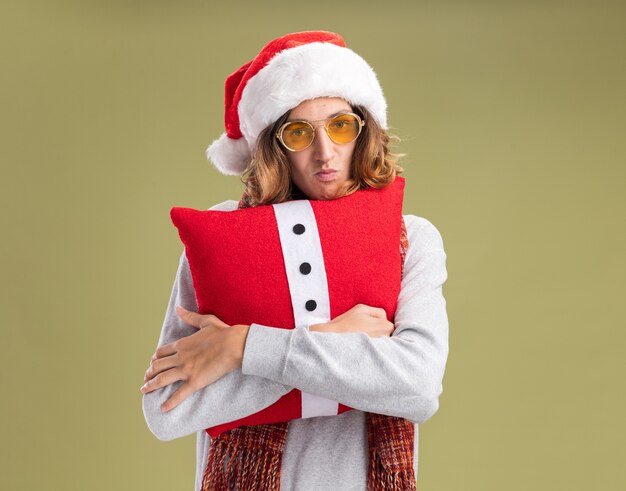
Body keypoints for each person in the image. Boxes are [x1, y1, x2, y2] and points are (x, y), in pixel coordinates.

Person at [141, 31, 449, 490]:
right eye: (299, 132)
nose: (325, 152)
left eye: (340, 126)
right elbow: (168, 409)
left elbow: (416, 386)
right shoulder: (221, 234)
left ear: (363, 130)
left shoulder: (410, 238)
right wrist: (333, 334)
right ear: (274, 144)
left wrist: (244, 348)